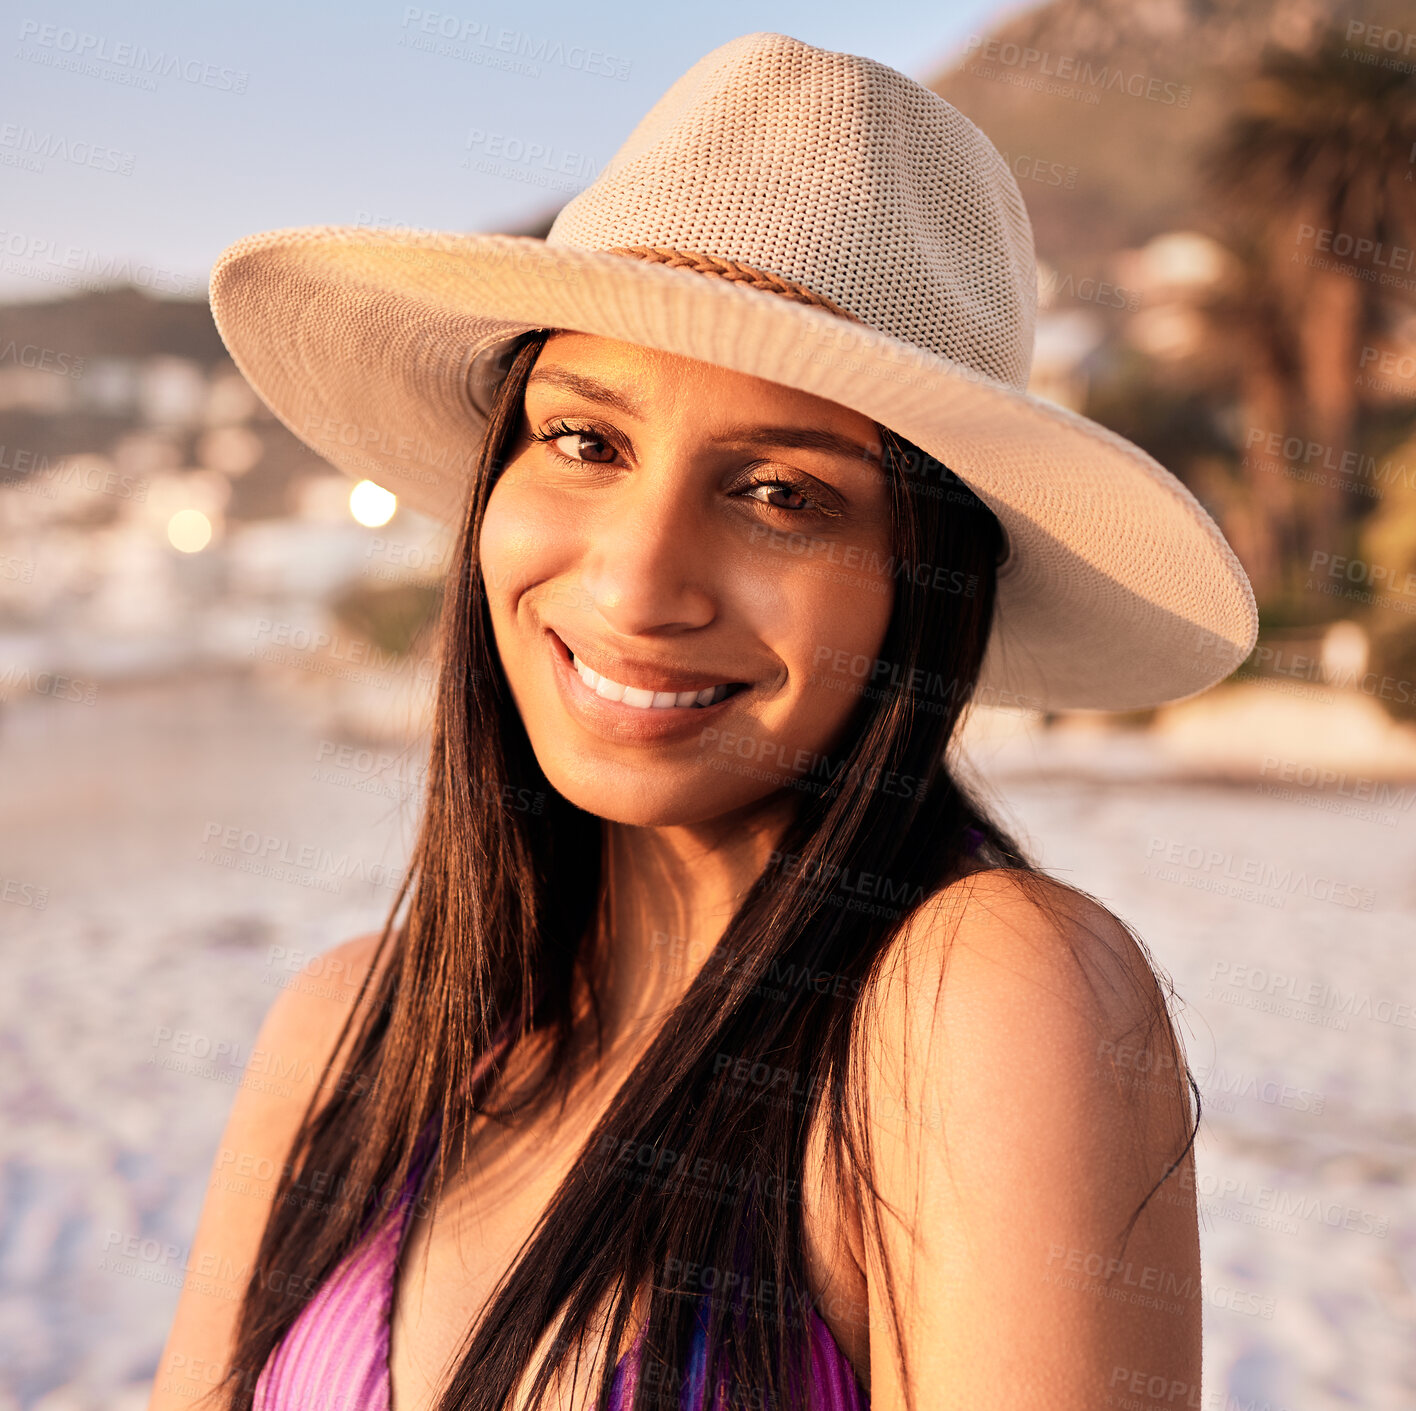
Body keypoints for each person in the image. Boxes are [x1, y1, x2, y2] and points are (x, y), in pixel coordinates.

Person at [150, 30, 1257, 1411]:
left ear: (926, 588)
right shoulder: (346, 1037)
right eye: (586, 441)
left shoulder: (974, 1001)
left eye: (782, 493)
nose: (636, 581)